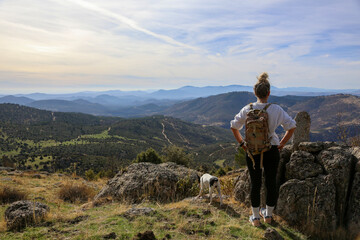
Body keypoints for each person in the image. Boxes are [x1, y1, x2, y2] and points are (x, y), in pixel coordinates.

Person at [230, 72, 296, 226]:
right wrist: (282, 144)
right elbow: (292, 126)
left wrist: (242, 143)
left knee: (255, 183)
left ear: (255, 93)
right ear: (269, 93)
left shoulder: (247, 109)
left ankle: (255, 218)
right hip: (271, 148)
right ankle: (268, 216)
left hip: (252, 150)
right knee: (271, 182)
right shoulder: (276, 109)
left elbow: (234, 126)